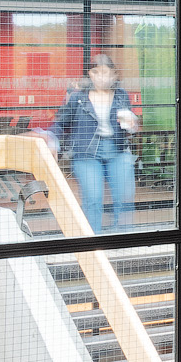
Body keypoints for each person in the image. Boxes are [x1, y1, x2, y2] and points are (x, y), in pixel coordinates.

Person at [50, 54, 140, 233]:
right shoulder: (78, 98)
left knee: (124, 197)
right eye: (96, 72)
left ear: (114, 75)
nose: (101, 76)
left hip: (117, 150)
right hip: (86, 153)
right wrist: (52, 140)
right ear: (89, 74)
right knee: (92, 199)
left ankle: (123, 239)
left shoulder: (121, 95)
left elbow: (130, 122)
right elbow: (60, 123)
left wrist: (132, 124)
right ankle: (93, 243)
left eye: (105, 72)